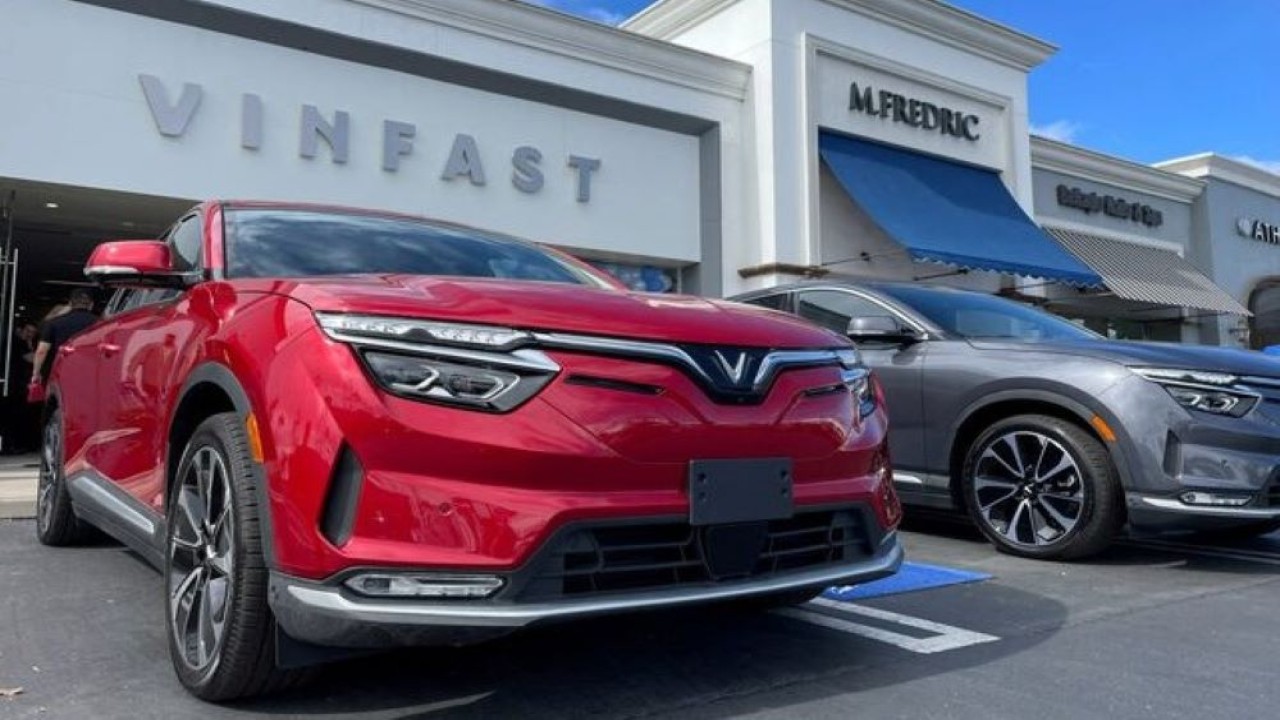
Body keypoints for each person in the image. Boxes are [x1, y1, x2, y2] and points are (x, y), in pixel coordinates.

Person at [29, 290, 98, 395]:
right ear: (91, 305)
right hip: (90, 373)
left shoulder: (53, 323)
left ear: (70, 304)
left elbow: (41, 351)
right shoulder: (100, 323)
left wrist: (36, 374)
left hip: (59, 372)